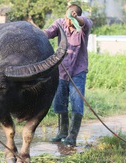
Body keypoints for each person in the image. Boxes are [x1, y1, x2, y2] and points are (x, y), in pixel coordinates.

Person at [43, 4, 93, 146]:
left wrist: (77, 19)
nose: (67, 21)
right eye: (66, 17)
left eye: (70, 18)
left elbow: (85, 22)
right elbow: (48, 32)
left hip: (78, 71)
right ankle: (62, 132)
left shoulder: (83, 26)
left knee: (77, 102)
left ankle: (72, 136)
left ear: (76, 16)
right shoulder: (60, 23)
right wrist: (35, 33)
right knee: (59, 102)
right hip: (61, 71)